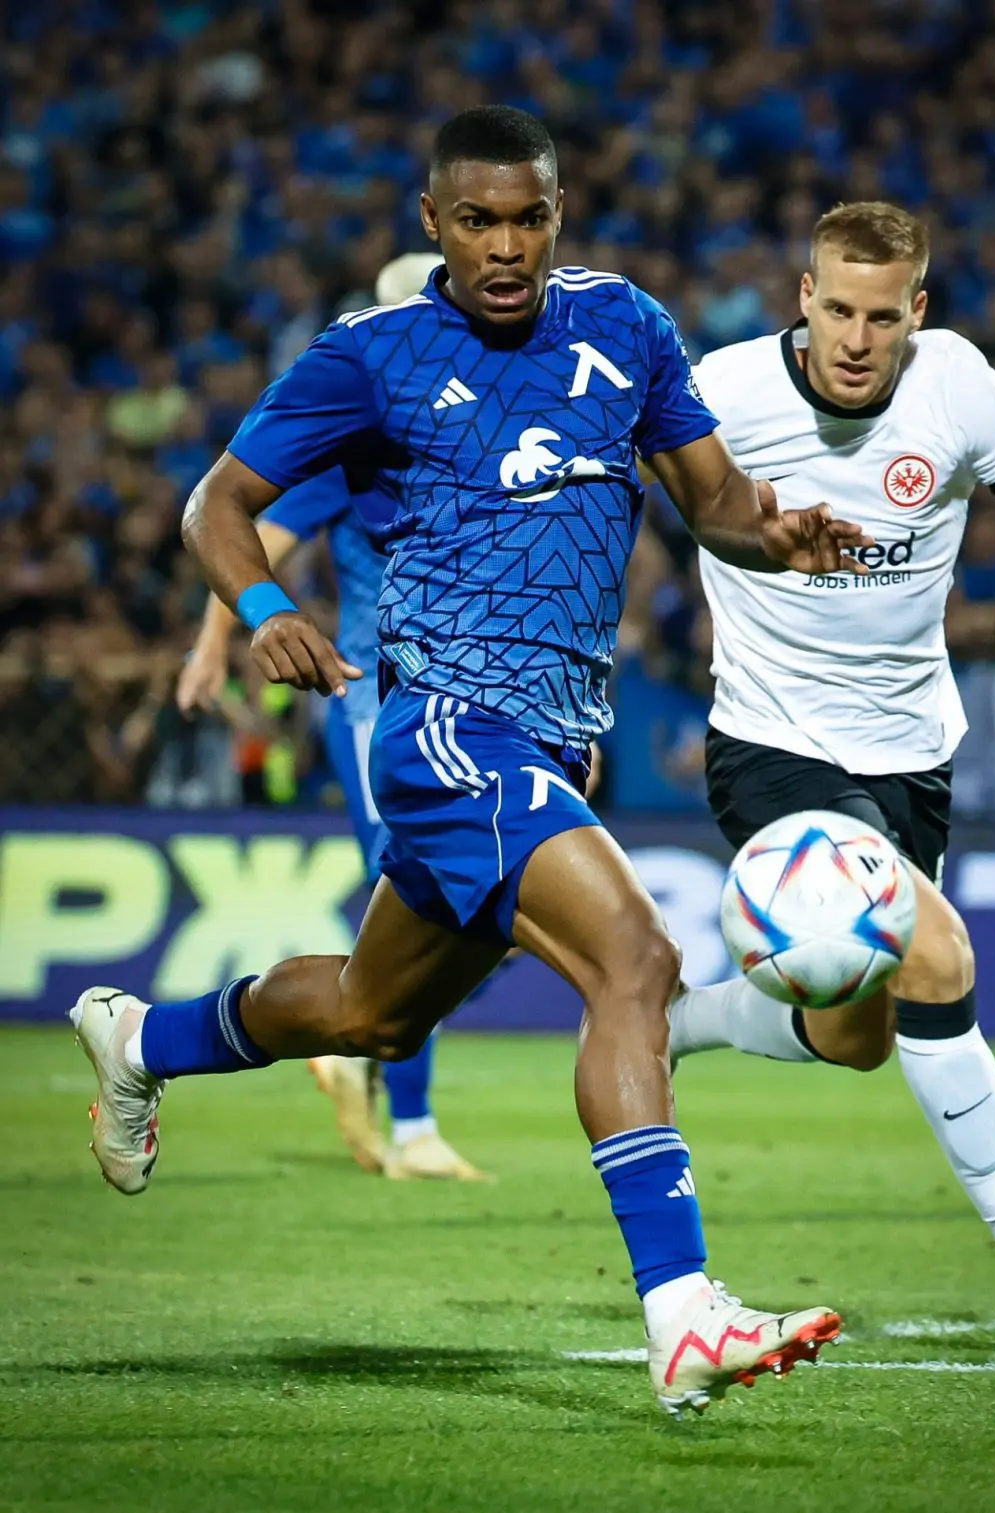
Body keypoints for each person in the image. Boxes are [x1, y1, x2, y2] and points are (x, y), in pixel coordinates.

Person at [69, 106, 868, 1416]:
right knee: (637, 962)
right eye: (479, 221)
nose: (506, 247)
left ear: (559, 217)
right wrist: (263, 612)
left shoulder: (627, 327)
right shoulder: (368, 355)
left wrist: (777, 536)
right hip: (449, 726)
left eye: (529, 219)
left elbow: (717, 503)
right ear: (432, 223)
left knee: (372, 1015)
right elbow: (219, 503)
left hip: (559, 740)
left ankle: (140, 1036)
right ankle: (682, 1314)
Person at [668, 201, 995, 1333]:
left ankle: (681, 1019)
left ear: (916, 312)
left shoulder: (958, 387)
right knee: (935, 953)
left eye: (881, 317)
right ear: (804, 297)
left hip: (911, 755)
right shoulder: (723, 391)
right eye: (837, 309)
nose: (855, 338)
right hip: (774, 743)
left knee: (856, 1035)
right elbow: (618, 502)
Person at [177, 253, 486, 1184]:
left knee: (474, 909)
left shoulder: (478, 428)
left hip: (478, 703)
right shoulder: (368, 432)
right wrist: (214, 643)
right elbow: (254, 536)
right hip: (377, 705)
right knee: (431, 895)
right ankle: (413, 1124)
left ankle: (351, 1042)